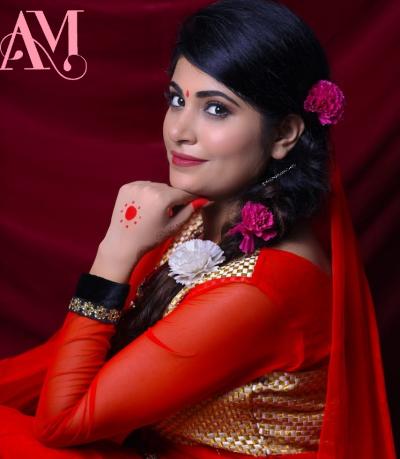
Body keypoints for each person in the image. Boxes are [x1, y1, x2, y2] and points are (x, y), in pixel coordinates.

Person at [0, 0, 396, 458]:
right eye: (177, 100)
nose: (179, 131)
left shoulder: (261, 289)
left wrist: (113, 254)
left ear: (284, 134)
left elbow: (61, 423)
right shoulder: (200, 216)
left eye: (216, 109)